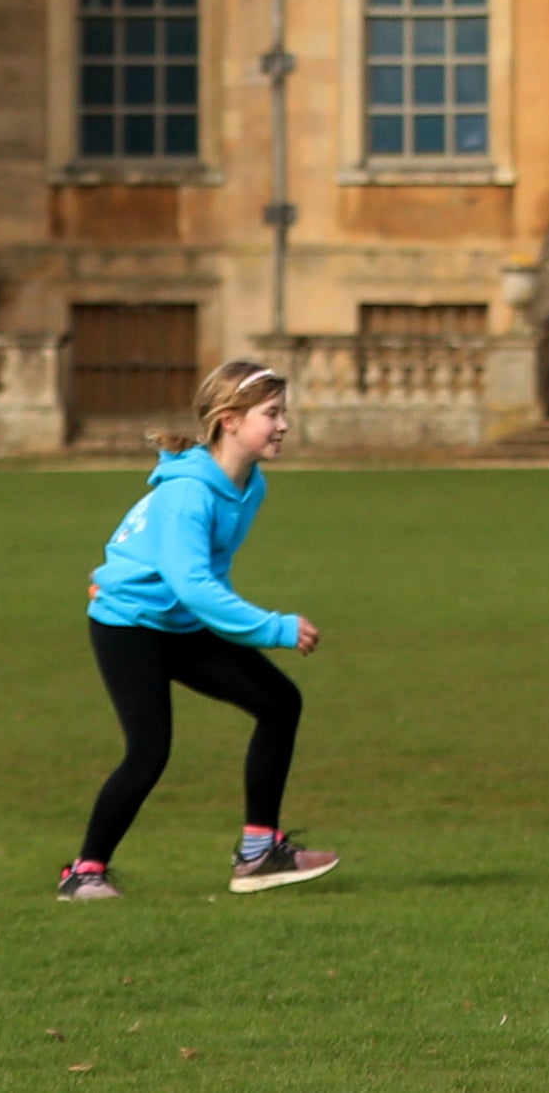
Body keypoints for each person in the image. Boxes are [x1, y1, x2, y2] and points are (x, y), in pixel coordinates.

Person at [59, 357, 337, 901]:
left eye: (283, 413)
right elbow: (192, 583)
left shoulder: (247, 485)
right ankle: (84, 873)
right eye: (272, 414)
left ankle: (259, 852)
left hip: (181, 624)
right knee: (148, 751)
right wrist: (273, 628)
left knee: (279, 702)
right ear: (229, 420)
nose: (283, 425)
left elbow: (203, 578)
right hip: (129, 625)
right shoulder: (190, 493)